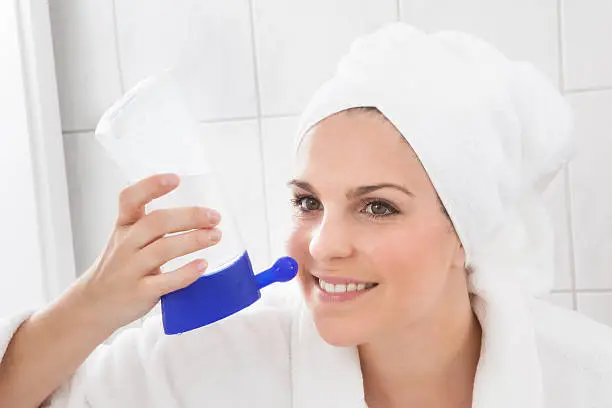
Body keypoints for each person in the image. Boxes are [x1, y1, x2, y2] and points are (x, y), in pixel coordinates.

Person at [1, 23, 612, 408]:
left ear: (468, 232)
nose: (324, 244)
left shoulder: (587, 379)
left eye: (378, 207)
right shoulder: (223, 357)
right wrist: (94, 304)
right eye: (307, 202)